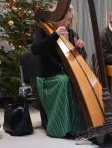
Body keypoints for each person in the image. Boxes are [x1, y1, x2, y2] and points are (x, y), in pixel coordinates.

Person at [31, 7, 86, 138]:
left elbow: (81, 59)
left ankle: (76, 126)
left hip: (64, 74)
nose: (66, 22)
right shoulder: (44, 31)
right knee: (65, 81)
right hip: (47, 76)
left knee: (75, 80)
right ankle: (61, 127)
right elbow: (35, 49)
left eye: (69, 19)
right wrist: (55, 35)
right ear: (55, 18)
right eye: (63, 18)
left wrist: (80, 48)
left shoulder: (71, 33)